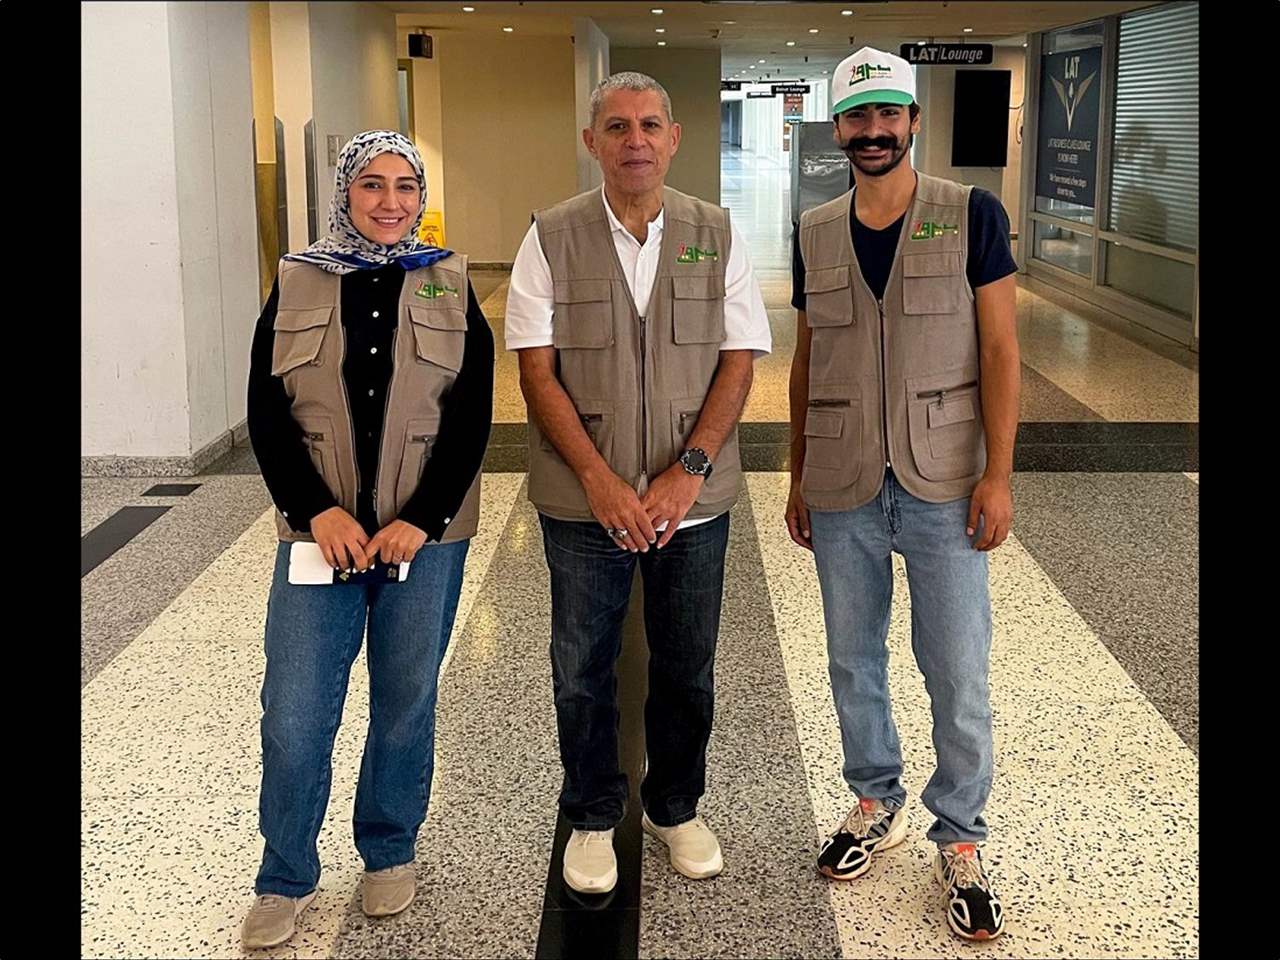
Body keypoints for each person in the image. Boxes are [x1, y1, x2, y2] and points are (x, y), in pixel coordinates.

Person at [505, 72, 771, 895]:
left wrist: (688, 472)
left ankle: (674, 806)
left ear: (674, 137)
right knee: (582, 666)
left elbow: (738, 361)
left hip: (693, 504)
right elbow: (536, 372)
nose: (635, 141)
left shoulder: (715, 232)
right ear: (592, 141)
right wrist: (600, 481)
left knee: (686, 664)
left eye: (650, 125)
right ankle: (592, 815)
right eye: (617, 126)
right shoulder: (550, 236)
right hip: (583, 504)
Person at [786, 48, 1020, 942]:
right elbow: (809, 358)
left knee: (956, 667)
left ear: (913, 121)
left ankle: (959, 836)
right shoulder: (814, 229)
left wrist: (998, 474)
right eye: (858, 117)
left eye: (889, 115)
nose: (874, 131)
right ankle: (873, 796)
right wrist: (798, 471)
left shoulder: (971, 212)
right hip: (842, 476)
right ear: (838, 128)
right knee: (853, 657)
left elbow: (999, 350)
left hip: (944, 478)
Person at [240, 130, 493, 949]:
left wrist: (422, 518)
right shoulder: (298, 278)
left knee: (405, 702)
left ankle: (388, 850)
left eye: (405, 186)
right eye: (372, 185)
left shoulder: (449, 279)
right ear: (344, 192)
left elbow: (472, 414)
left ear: (422, 197)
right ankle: (285, 875)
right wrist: (316, 510)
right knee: (295, 711)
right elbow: (267, 411)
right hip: (320, 538)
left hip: (425, 539)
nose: (390, 201)